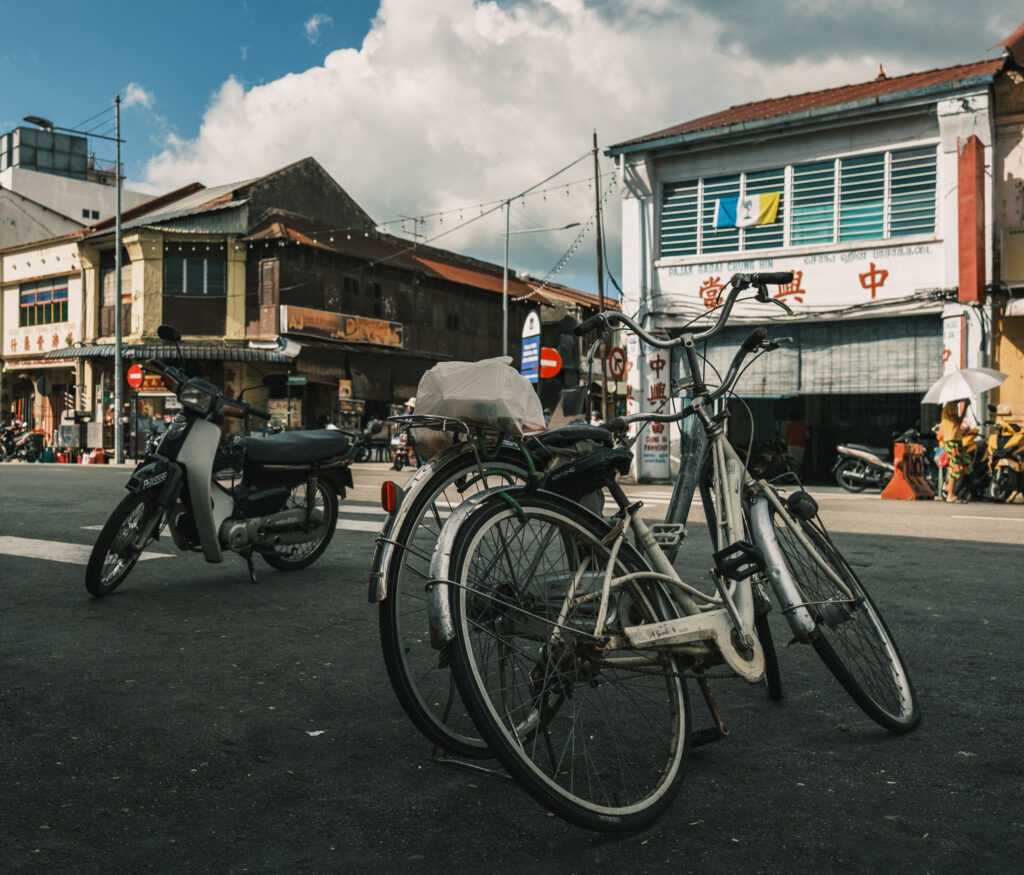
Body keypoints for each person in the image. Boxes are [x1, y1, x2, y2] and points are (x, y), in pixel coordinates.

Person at [937, 400, 970, 502]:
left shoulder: (953, 405)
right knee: (954, 466)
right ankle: (950, 495)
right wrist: (966, 407)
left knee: (965, 465)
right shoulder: (951, 405)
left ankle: (948, 487)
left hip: (957, 438)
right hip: (952, 439)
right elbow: (958, 421)